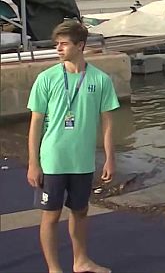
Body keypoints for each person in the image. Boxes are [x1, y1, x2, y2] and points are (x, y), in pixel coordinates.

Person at [27, 20, 119, 273]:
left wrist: (110, 158)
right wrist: (33, 163)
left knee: (80, 211)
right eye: (56, 43)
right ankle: (54, 269)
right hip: (53, 158)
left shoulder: (100, 79)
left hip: (83, 160)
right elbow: (35, 124)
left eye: (64, 44)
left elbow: (108, 124)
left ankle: (80, 261)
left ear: (80, 45)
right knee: (51, 214)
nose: (58, 48)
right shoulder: (46, 78)